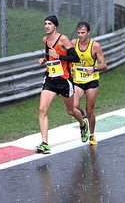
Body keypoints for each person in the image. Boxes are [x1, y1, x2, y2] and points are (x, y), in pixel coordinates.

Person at [36, 15, 90, 154]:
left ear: (55, 26)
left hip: (64, 80)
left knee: (71, 111)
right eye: (45, 23)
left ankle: (83, 124)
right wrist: (44, 60)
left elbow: (75, 58)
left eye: (49, 24)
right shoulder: (45, 40)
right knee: (42, 109)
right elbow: (50, 57)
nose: (47, 26)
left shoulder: (63, 39)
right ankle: (45, 143)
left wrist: (59, 56)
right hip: (50, 79)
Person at [71, 22, 108, 145]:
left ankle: (91, 135)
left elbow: (104, 64)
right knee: (73, 107)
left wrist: (95, 68)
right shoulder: (73, 43)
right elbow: (67, 57)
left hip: (92, 80)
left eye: (83, 33)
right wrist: (69, 67)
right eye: (78, 33)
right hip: (78, 81)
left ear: (88, 33)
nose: (80, 35)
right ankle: (83, 118)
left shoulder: (95, 46)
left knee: (90, 109)